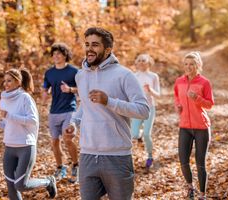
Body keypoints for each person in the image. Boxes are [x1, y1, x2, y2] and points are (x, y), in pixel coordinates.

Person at [64, 27, 150, 200]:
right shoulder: (81, 75)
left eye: (95, 45)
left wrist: (109, 101)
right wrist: (74, 122)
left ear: (108, 49)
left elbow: (143, 110)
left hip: (117, 156)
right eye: (87, 44)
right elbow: (85, 106)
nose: (89, 49)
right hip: (87, 154)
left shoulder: (124, 75)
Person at [0, 68, 57, 199]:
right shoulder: (4, 99)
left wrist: (10, 116)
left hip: (25, 146)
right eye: (4, 81)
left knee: (21, 185)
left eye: (9, 80)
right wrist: (0, 124)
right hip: (9, 147)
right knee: (11, 187)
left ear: (18, 82)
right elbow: (9, 122)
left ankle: (48, 182)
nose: (5, 84)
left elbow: (33, 121)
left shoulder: (25, 98)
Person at [174, 52, 214, 200]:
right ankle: (190, 187)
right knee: (183, 161)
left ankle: (202, 195)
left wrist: (197, 98)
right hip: (184, 126)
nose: (188, 67)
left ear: (198, 65)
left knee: (200, 163)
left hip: (201, 127)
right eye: (186, 64)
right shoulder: (179, 81)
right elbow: (177, 97)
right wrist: (178, 106)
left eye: (192, 64)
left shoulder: (204, 82)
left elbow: (209, 104)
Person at [42, 42, 79, 181]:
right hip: (54, 111)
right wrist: (44, 96)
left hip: (70, 109)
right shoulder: (49, 73)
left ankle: (76, 165)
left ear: (65, 55)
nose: (56, 56)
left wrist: (70, 89)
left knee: (68, 138)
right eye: (54, 54)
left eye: (59, 53)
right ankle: (60, 168)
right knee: (54, 142)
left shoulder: (74, 71)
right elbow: (45, 89)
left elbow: (83, 89)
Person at [131, 54, 161, 170]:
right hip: (136, 108)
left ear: (149, 62)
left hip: (149, 107)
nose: (142, 62)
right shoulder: (133, 76)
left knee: (147, 134)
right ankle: (140, 135)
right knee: (134, 134)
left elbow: (158, 95)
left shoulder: (153, 76)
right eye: (139, 60)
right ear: (136, 63)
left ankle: (149, 156)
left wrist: (150, 90)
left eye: (144, 60)